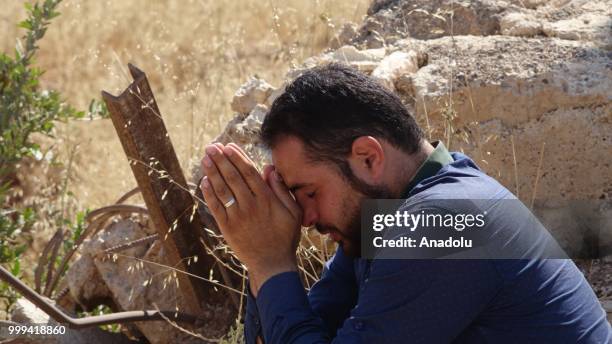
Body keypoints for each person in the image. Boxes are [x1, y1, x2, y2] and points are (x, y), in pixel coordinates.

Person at [199, 63, 611, 343]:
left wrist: (270, 265)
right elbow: (301, 329)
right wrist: (263, 263)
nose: (305, 218)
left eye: (309, 193)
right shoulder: (382, 220)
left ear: (368, 157)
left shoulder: (444, 221)